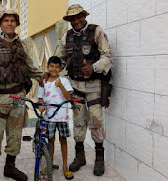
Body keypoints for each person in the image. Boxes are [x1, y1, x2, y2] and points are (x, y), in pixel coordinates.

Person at [41, 4, 113, 176]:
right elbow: (59, 59)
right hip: (75, 86)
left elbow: (108, 55)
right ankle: (80, 157)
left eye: (78, 16)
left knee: (96, 121)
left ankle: (99, 159)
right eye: (72, 18)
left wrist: (94, 68)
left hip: (94, 85)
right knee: (79, 121)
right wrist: (47, 72)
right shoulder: (67, 36)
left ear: (84, 16)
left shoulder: (96, 31)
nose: (76, 20)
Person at [0, 8, 42, 181]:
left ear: (17, 24)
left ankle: (10, 167)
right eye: (6, 21)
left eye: (13, 21)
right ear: (0, 24)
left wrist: (44, 77)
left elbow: (31, 67)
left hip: (18, 97)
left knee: (15, 136)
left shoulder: (23, 43)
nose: (10, 23)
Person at [37, 56, 74, 180]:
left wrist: (61, 86)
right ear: (47, 67)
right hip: (49, 117)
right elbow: (40, 98)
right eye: (51, 66)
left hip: (62, 116)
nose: (54, 69)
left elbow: (69, 98)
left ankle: (65, 168)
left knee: (63, 141)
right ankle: (50, 164)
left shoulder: (64, 80)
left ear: (60, 68)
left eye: (57, 67)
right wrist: (41, 106)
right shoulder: (44, 81)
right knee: (50, 141)